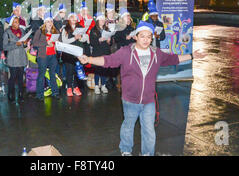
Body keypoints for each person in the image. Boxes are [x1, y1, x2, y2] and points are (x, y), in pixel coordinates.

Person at [79, 21, 197, 156]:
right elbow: (107, 61)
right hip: (130, 99)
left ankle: (147, 153)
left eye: (149, 36)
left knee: (149, 130)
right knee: (128, 126)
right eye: (142, 36)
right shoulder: (125, 52)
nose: (146, 39)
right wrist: (89, 59)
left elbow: (173, 59)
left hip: (148, 100)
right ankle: (126, 149)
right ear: (136, 36)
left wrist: (192, 56)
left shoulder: (156, 53)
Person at [32, 12, 60, 101]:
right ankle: (39, 94)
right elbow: (34, 43)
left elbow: (59, 43)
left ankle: (55, 92)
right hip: (43, 56)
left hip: (53, 56)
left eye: (51, 21)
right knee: (41, 74)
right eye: (48, 21)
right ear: (45, 22)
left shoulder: (55, 31)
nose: (50, 23)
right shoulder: (39, 31)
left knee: (52, 74)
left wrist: (57, 44)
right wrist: (46, 43)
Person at [60, 13, 88, 97]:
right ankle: (69, 88)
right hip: (68, 53)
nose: (73, 18)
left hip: (77, 53)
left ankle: (75, 87)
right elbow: (64, 41)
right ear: (68, 19)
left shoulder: (80, 27)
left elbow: (86, 38)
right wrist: (74, 38)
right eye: (71, 17)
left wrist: (80, 38)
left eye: (75, 17)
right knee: (69, 71)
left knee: (76, 70)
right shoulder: (65, 28)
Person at [3, 15, 28, 102]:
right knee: (13, 77)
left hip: (21, 56)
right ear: (11, 23)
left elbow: (24, 44)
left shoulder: (22, 30)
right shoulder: (7, 32)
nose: (18, 23)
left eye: (18, 22)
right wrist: (15, 44)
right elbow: (5, 47)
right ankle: (10, 93)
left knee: (21, 77)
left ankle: (21, 94)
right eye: (15, 22)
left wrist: (25, 43)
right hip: (12, 57)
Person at [89, 12, 111, 95]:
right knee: (97, 70)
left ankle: (103, 85)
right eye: (101, 19)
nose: (102, 21)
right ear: (97, 20)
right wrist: (99, 40)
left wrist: (109, 41)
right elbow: (92, 42)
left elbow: (111, 41)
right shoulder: (93, 30)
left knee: (104, 69)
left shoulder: (107, 29)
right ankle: (96, 86)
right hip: (97, 52)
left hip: (105, 52)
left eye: (103, 19)